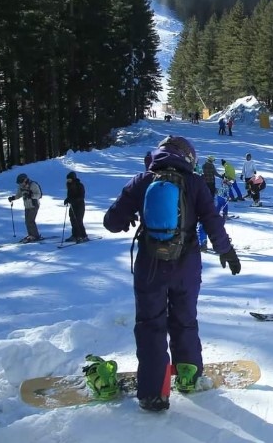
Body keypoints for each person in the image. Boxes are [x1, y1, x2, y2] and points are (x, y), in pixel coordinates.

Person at [103, 136, 242, 412]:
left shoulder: (142, 180)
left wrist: (130, 216)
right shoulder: (195, 182)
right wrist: (226, 251)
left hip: (150, 265)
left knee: (151, 325)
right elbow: (212, 220)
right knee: (185, 320)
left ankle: (154, 393)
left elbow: (111, 222)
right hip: (186, 264)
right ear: (188, 157)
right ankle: (188, 377)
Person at [7, 173, 43, 243]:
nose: (20, 184)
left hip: (34, 205)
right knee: (27, 221)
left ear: (25, 180)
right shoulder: (21, 186)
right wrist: (13, 198)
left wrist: (31, 195)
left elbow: (39, 195)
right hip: (27, 206)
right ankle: (31, 235)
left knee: (30, 221)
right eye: (19, 183)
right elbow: (19, 194)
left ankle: (35, 236)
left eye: (21, 182)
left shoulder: (33, 185)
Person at [198, 179, 230, 252]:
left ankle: (204, 244)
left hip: (208, 213)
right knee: (213, 229)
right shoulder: (220, 192)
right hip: (211, 213)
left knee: (203, 228)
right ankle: (218, 245)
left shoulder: (220, 192)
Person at [64, 171, 88, 243]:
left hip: (80, 205)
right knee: (72, 220)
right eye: (67, 179)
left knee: (78, 220)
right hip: (73, 205)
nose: (68, 181)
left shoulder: (79, 185)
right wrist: (67, 199)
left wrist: (73, 200)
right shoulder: (69, 185)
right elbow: (70, 195)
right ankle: (75, 235)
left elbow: (81, 196)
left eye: (70, 179)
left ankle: (83, 236)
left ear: (73, 178)